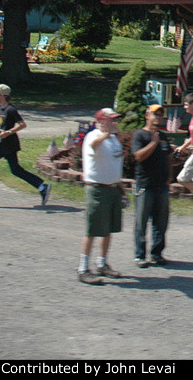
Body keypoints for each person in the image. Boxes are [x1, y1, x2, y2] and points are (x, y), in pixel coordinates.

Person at [0, 84, 51, 205]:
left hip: (7, 143)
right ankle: (42, 187)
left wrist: (8, 132)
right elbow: (5, 126)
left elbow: (22, 124)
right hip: (7, 143)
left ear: (2, 96)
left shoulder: (11, 109)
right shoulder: (1, 109)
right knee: (15, 170)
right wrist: (3, 131)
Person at [77, 107, 125, 285]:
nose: (115, 123)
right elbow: (93, 146)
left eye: (115, 119)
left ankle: (102, 263)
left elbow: (114, 163)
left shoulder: (114, 140)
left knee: (108, 229)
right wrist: (105, 134)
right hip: (97, 189)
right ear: (101, 121)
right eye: (111, 120)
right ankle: (83, 268)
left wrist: (120, 186)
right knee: (92, 230)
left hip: (112, 188)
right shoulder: (93, 135)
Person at [132, 104, 173, 267]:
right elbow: (138, 156)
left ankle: (157, 253)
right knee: (141, 222)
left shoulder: (162, 136)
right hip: (145, 186)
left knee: (161, 222)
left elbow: (168, 156)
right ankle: (140, 255)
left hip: (161, 186)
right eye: (155, 114)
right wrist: (153, 143)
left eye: (161, 115)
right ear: (147, 115)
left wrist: (170, 175)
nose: (158, 117)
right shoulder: (139, 135)